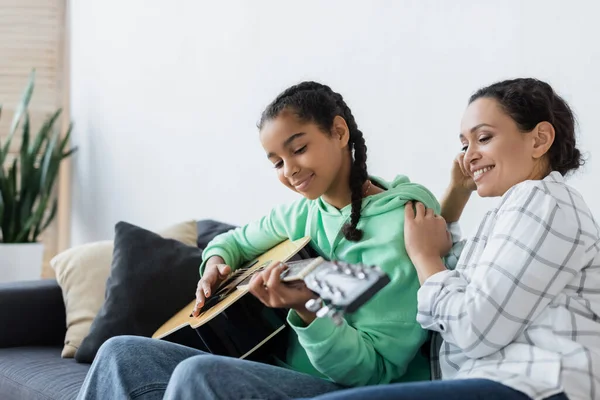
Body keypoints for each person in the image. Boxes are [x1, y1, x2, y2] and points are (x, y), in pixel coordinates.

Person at [76, 81, 442, 400]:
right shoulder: (302, 214)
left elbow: (372, 370)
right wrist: (215, 265)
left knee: (199, 374)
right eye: (277, 162)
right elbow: (231, 242)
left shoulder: (401, 227)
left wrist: (309, 310)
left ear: (340, 132)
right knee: (120, 354)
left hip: (347, 389)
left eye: (298, 149)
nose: (290, 170)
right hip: (274, 369)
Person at [304, 78, 600, 400]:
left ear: (540, 139)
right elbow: (451, 268)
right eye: (464, 145)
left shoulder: (540, 199)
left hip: (532, 386)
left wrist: (425, 259)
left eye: (483, 138)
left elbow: (474, 328)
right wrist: (456, 196)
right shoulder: (513, 213)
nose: (468, 156)